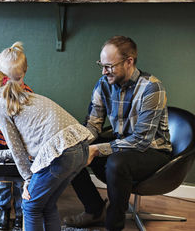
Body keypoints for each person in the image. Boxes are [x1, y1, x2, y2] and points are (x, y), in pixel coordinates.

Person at [63, 36, 172, 231]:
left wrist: (96, 150)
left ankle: (114, 225)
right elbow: (93, 125)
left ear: (129, 61)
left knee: (116, 162)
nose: (104, 71)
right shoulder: (103, 83)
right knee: (73, 151)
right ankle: (94, 210)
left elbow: (141, 141)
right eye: (101, 65)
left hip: (153, 150)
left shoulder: (152, 88)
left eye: (109, 66)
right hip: (122, 144)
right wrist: (73, 142)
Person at [0, 67, 94, 231]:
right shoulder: (26, 96)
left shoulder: (0, 105)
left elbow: (17, 149)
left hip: (61, 153)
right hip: (80, 148)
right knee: (47, 204)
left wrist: (28, 179)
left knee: (30, 206)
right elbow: (28, 147)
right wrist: (0, 155)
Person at [0, 42, 33, 229]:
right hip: (0, 146)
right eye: (6, 80)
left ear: (24, 74)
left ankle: (20, 213)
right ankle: (4, 211)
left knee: (20, 181)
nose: (11, 85)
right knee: (1, 182)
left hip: (21, 148)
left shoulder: (26, 95)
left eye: (16, 79)